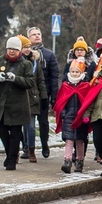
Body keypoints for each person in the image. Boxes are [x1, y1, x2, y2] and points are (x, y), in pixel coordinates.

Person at [0, 37, 35, 170]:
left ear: (19, 50)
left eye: (14, 49)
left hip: (18, 105)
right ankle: (10, 155)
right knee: (2, 130)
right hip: (1, 104)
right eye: (9, 48)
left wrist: (15, 78)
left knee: (15, 133)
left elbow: (30, 82)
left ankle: (12, 160)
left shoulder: (26, 64)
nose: (12, 51)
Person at [28, 26, 59, 158]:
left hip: (43, 94)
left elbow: (54, 76)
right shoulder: (25, 54)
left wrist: (54, 96)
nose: (37, 36)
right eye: (33, 34)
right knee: (28, 123)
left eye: (38, 34)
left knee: (43, 122)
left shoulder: (49, 54)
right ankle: (28, 148)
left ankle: (44, 145)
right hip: (28, 95)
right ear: (28, 38)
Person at [54, 59, 90, 173]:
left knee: (80, 140)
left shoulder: (85, 86)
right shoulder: (65, 86)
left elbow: (88, 102)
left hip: (81, 118)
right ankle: (67, 161)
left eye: (77, 72)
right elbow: (61, 101)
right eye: (73, 71)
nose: (74, 74)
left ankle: (79, 161)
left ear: (81, 73)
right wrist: (63, 113)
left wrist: (85, 115)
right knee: (69, 140)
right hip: (69, 117)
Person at [18, 34, 47, 163]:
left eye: (29, 47)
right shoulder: (15, 63)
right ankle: (20, 149)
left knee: (30, 127)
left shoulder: (35, 63)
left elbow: (40, 81)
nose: (28, 49)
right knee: (18, 127)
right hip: (18, 98)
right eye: (25, 47)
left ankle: (31, 150)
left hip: (32, 98)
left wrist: (44, 96)